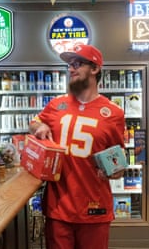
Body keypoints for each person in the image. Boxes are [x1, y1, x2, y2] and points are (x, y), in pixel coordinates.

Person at [28, 44, 126, 249]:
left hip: (94, 207)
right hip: (58, 207)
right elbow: (34, 122)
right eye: (69, 65)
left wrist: (117, 171)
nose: (71, 69)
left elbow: (118, 157)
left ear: (95, 69)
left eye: (77, 64)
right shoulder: (56, 104)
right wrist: (40, 125)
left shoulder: (113, 112)